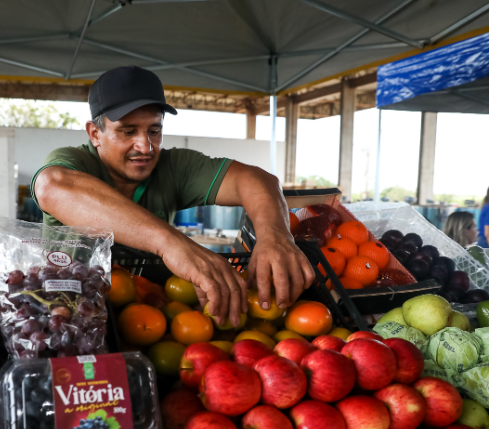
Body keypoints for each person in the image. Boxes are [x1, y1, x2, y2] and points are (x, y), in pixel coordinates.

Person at [32, 66, 314, 328]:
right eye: (128, 132)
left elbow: (257, 180)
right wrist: (171, 243)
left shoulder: (174, 167)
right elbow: (52, 186)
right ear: (95, 133)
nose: (145, 146)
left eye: (154, 130)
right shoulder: (74, 162)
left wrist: (274, 235)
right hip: (71, 316)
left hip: (151, 318)